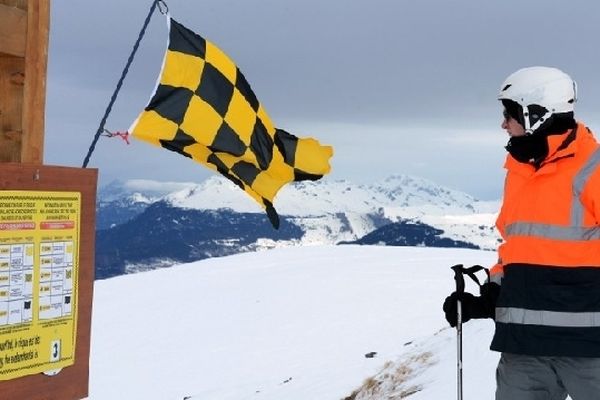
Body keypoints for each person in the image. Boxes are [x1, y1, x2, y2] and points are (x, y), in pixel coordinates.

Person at [443, 66, 600, 399]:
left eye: (509, 113)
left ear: (536, 114)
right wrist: (488, 298)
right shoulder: (520, 173)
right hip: (525, 349)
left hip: (590, 349)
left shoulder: (593, 168)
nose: (503, 123)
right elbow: (517, 250)